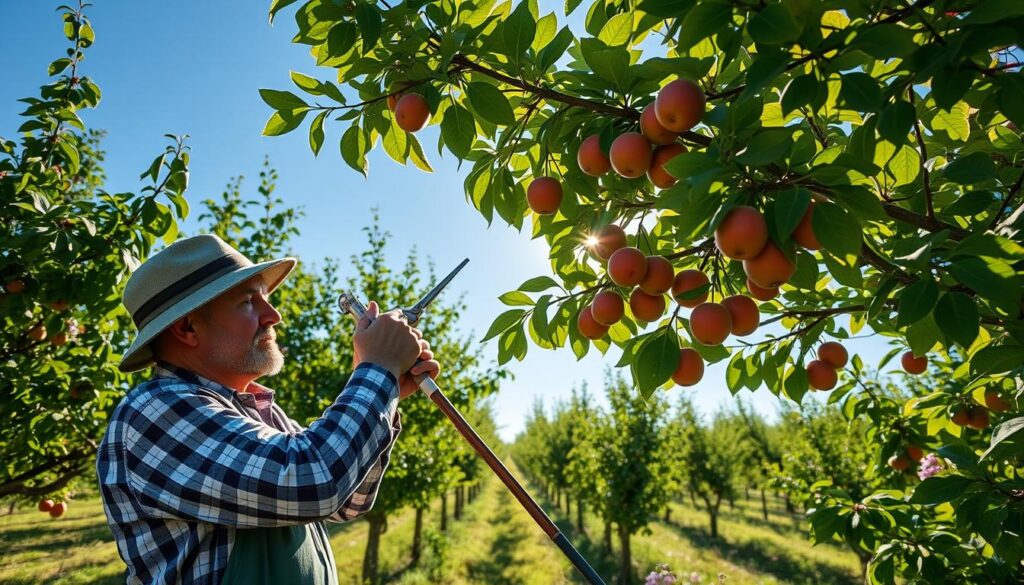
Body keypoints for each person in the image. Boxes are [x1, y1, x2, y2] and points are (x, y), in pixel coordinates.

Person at [96, 234, 439, 584]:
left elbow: (347, 502)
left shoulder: (257, 412)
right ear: (187, 327)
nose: (272, 315)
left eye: (266, 299)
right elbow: (316, 482)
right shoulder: (154, 411)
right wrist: (376, 372)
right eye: (248, 301)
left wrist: (385, 391)